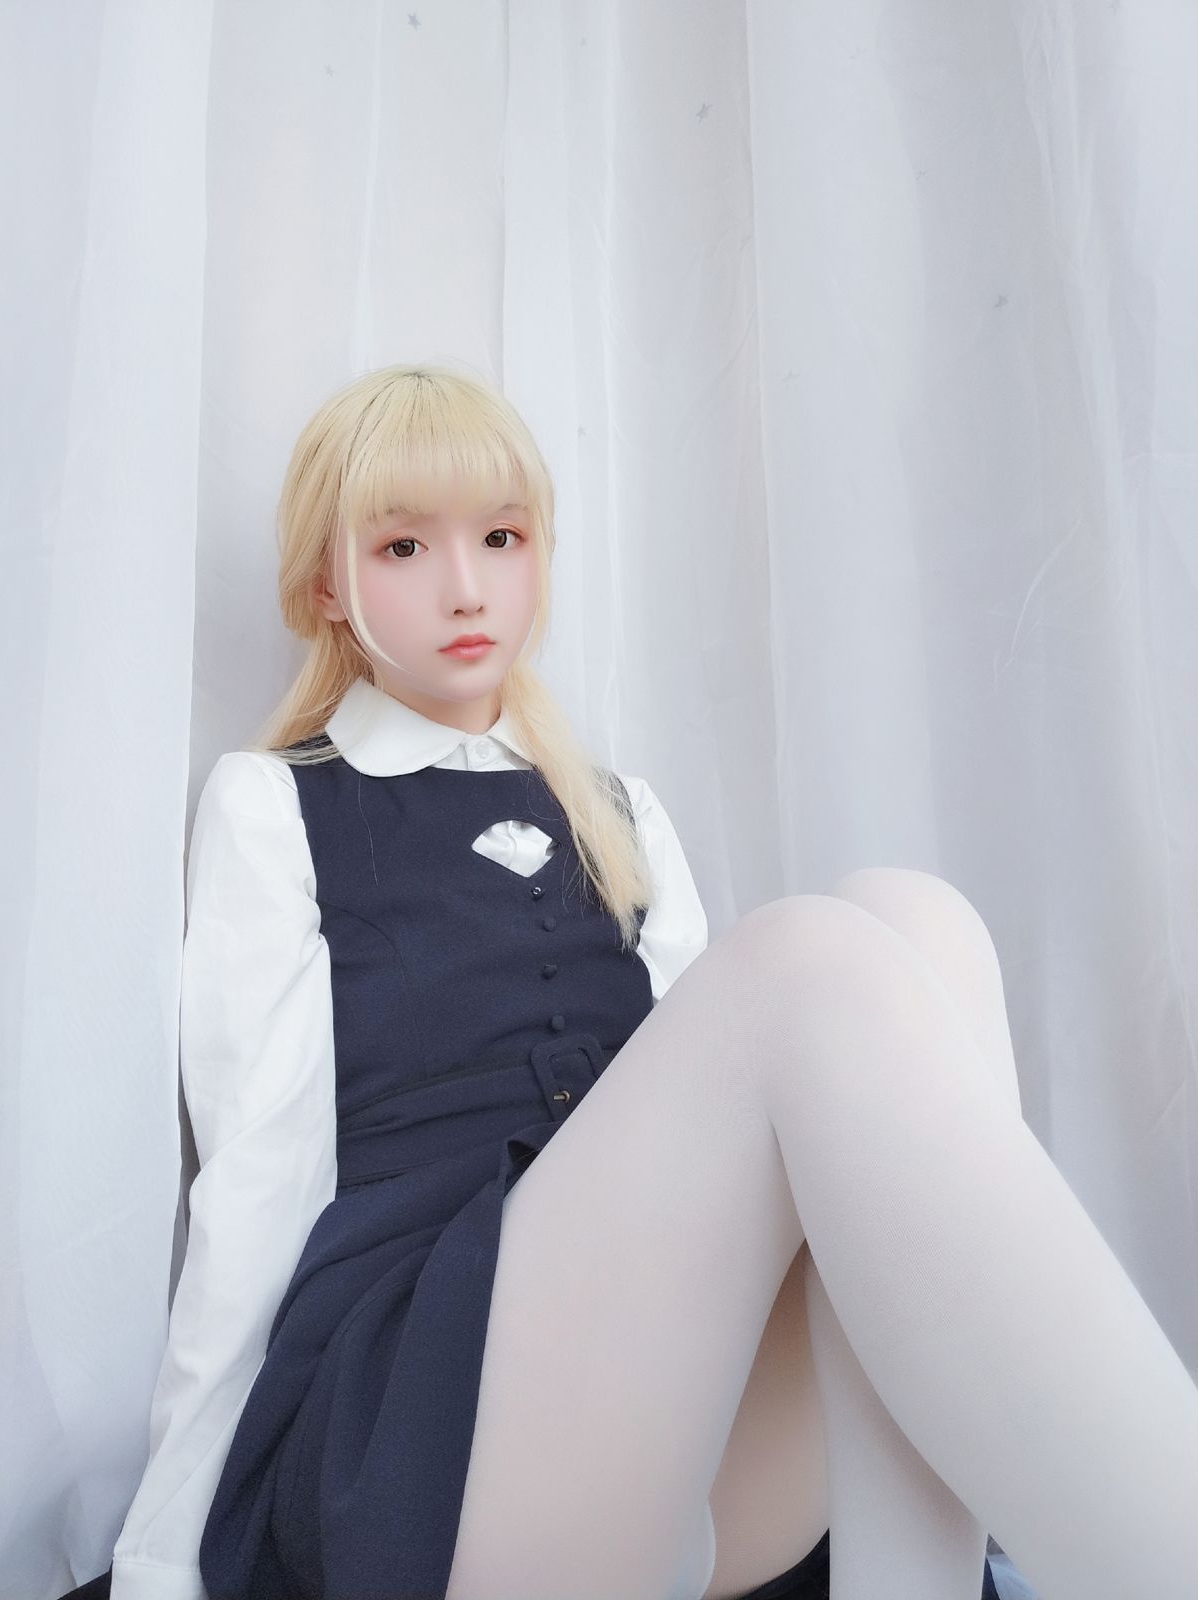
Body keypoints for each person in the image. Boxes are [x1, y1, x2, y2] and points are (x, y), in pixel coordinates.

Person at [85, 363, 1196, 1600]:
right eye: (403, 547)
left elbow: (724, 1157)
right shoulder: (277, 803)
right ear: (327, 589)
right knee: (806, 962)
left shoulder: (623, 812)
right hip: (427, 1431)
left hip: (673, 1439)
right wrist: (163, 1555)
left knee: (919, 921)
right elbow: (258, 1183)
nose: (466, 587)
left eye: (501, 538)